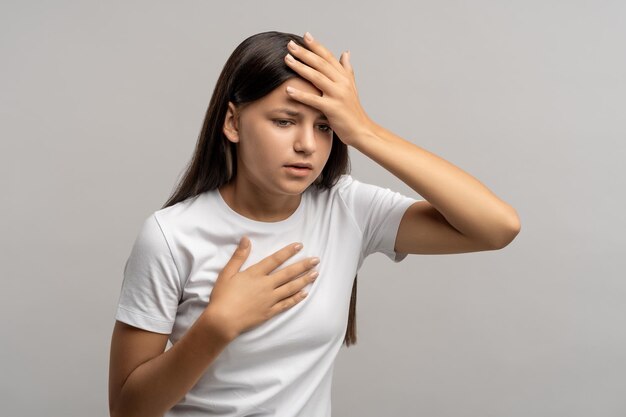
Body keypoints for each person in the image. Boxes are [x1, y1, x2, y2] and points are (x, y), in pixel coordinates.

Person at [108, 30, 521, 417]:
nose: (307, 144)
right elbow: (128, 410)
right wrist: (218, 325)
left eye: (324, 126)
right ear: (233, 122)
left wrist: (364, 130)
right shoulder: (170, 235)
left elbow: (497, 227)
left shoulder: (346, 208)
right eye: (284, 121)